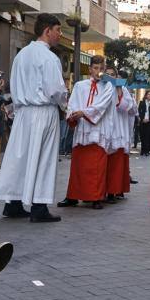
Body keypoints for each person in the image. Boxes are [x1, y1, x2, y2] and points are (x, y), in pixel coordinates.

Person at [0, 13, 67, 222]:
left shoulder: (21, 55)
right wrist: (64, 103)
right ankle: (39, 206)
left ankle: (13, 202)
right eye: (58, 30)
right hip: (43, 111)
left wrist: (18, 107)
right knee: (43, 157)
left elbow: (13, 85)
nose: (59, 35)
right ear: (47, 31)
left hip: (24, 111)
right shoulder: (49, 58)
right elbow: (55, 90)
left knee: (20, 157)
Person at [57, 57, 114, 210]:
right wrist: (73, 114)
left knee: (97, 165)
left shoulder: (108, 86)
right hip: (82, 128)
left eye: (101, 68)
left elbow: (102, 105)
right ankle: (73, 196)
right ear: (90, 69)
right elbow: (72, 103)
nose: (98, 72)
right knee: (78, 165)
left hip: (98, 128)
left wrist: (84, 112)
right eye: (95, 68)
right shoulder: (79, 85)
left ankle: (96, 197)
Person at [100, 60, 137, 202]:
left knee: (116, 162)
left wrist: (119, 89)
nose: (110, 77)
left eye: (112, 75)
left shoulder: (123, 90)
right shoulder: (100, 88)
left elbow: (128, 108)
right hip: (104, 128)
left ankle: (113, 191)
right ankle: (102, 189)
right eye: (107, 74)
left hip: (118, 129)